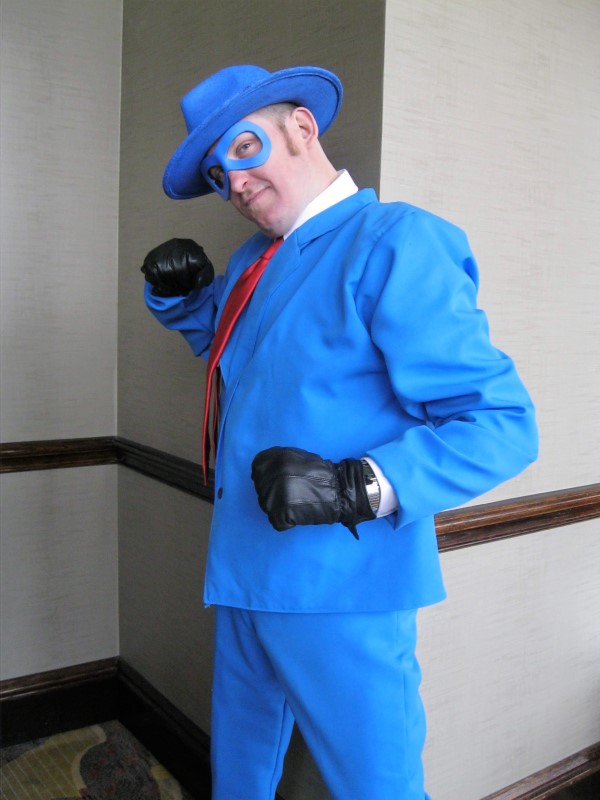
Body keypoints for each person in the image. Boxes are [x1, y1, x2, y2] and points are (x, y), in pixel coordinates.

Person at [141, 64, 538, 800]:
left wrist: (357, 486)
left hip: (341, 588)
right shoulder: (253, 262)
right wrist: (183, 297)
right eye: (219, 173)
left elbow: (500, 423)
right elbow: (241, 358)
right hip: (243, 568)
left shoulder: (395, 241)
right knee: (239, 778)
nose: (235, 182)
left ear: (301, 127)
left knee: (377, 788)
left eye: (244, 148)